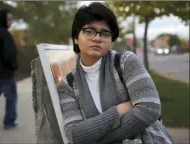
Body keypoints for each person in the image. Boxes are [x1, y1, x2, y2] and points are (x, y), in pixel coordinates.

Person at [57, 2, 173, 144]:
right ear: (75, 38)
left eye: (104, 33)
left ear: (111, 39)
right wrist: (119, 110)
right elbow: (75, 135)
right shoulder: (68, 85)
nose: (97, 38)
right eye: (89, 31)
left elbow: (150, 108)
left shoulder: (125, 62)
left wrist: (96, 138)